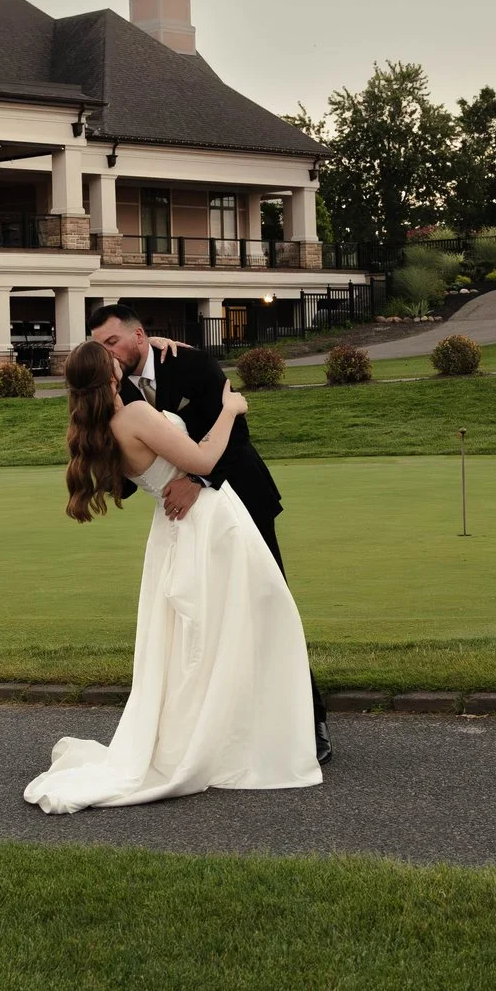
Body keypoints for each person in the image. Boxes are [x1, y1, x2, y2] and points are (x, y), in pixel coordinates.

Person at [23, 335, 322, 815]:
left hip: (177, 530)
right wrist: (231, 408)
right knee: (253, 621)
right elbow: (202, 460)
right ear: (109, 374)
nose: (120, 358)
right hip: (207, 525)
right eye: (112, 358)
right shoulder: (133, 418)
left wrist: (157, 340)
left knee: (204, 639)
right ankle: (234, 742)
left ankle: (224, 733)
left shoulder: (106, 426)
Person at [88, 303, 331, 765]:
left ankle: (309, 720)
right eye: (101, 347)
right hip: (186, 526)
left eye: (113, 342)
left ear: (140, 336)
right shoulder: (116, 395)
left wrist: (199, 480)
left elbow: (236, 434)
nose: (110, 353)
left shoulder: (190, 362)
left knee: (267, 605)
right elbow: (130, 469)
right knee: (206, 624)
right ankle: (221, 728)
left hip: (240, 503)